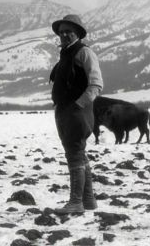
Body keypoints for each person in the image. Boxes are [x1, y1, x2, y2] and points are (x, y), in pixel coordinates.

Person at [49, 14, 103, 214]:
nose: (64, 34)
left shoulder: (84, 53)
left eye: (68, 31)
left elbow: (96, 84)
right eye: (61, 31)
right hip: (67, 111)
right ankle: (88, 201)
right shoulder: (67, 53)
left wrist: (77, 105)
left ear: (78, 33)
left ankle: (76, 202)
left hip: (76, 113)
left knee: (74, 155)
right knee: (79, 154)